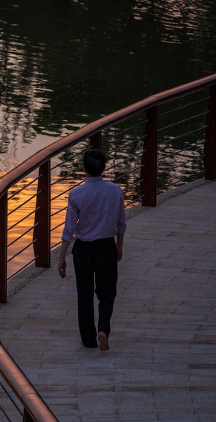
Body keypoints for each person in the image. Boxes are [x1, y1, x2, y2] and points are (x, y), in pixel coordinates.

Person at [57, 149, 126, 351]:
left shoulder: (77, 193)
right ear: (104, 167)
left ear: (84, 168)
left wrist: (61, 257)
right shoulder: (115, 190)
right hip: (106, 246)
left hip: (84, 249)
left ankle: (88, 339)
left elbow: (69, 229)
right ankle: (103, 329)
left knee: (84, 293)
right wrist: (119, 246)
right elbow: (121, 223)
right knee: (107, 293)